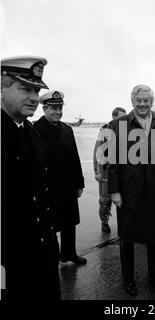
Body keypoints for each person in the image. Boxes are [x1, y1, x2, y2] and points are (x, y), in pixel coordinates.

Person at [1, 56, 61, 299]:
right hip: (10, 261)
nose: (35, 98)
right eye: (25, 88)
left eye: (36, 90)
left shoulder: (32, 134)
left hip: (42, 254)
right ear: (1, 89)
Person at [108, 85, 155, 296]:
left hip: (154, 190)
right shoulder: (119, 125)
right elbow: (113, 160)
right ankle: (128, 280)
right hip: (128, 191)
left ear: (151, 101)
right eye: (139, 101)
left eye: (146, 100)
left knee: (153, 236)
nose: (143, 104)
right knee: (127, 237)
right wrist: (115, 191)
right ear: (132, 101)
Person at [34, 90, 86, 265]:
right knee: (51, 226)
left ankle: (69, 254)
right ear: (44, 108)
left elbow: (74, 158)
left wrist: (79, 183)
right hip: (49, 186)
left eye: (59, 108)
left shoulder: (67, 129)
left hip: (68, 184)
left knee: (69, 223)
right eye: (53, 108)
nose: (57, 112)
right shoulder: (35, 130)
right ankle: (51, 258)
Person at [93, 107, 126, 233]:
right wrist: (97, 170)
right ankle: (104, 221)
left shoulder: (126, 130)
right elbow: (97, 151)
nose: (123, 119)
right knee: (105, 200)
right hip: (106, 169)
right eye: (121, 116)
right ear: (114, 117)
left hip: (120, 170)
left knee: (122, 198)